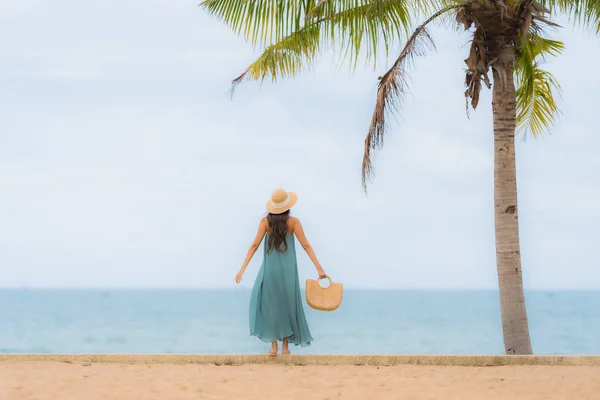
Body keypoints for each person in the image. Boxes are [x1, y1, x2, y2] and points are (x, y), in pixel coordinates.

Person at [235, 188, 327, 355]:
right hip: (288, 271)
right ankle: (285, 347)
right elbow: (306, 245)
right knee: (287, 304)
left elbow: (254, 245)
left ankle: (273, 347)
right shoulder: (294, 222)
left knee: (270, 305)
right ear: (287, 206)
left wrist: (242, 269)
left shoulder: (265, 222)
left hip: (270, 270)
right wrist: (319, 268)